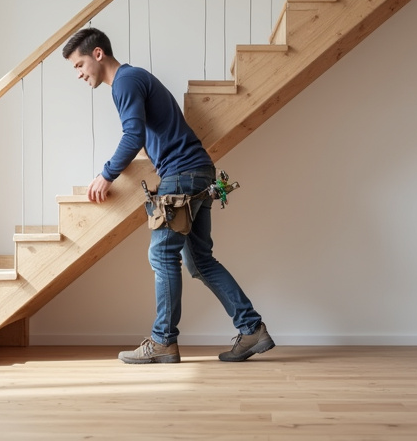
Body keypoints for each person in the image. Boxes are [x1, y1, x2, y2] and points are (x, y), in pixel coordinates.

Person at [62, 27, 275, 364]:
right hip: (199, 171)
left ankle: (163, 341)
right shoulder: (133, 78)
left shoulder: (124, 82)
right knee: (200, 261)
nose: (78, 74)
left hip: (181, 176)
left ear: (98, 54)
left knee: (162, 256)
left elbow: (132, 135)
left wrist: (106, 174)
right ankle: (252, 328)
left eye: (79, 65)